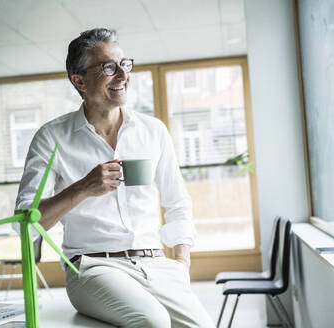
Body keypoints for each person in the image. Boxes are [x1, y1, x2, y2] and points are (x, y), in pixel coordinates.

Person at [15, 28, 215, 328]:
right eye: (109, 67)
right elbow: (25, 223)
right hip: (93, 266)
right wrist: (82, 188)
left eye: (125, 64)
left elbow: (177, 203)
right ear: (79, 80)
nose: (122, 74)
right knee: (153, 322)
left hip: (157, 264)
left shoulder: (153, 131)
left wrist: (181, 262)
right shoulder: (52, 137)